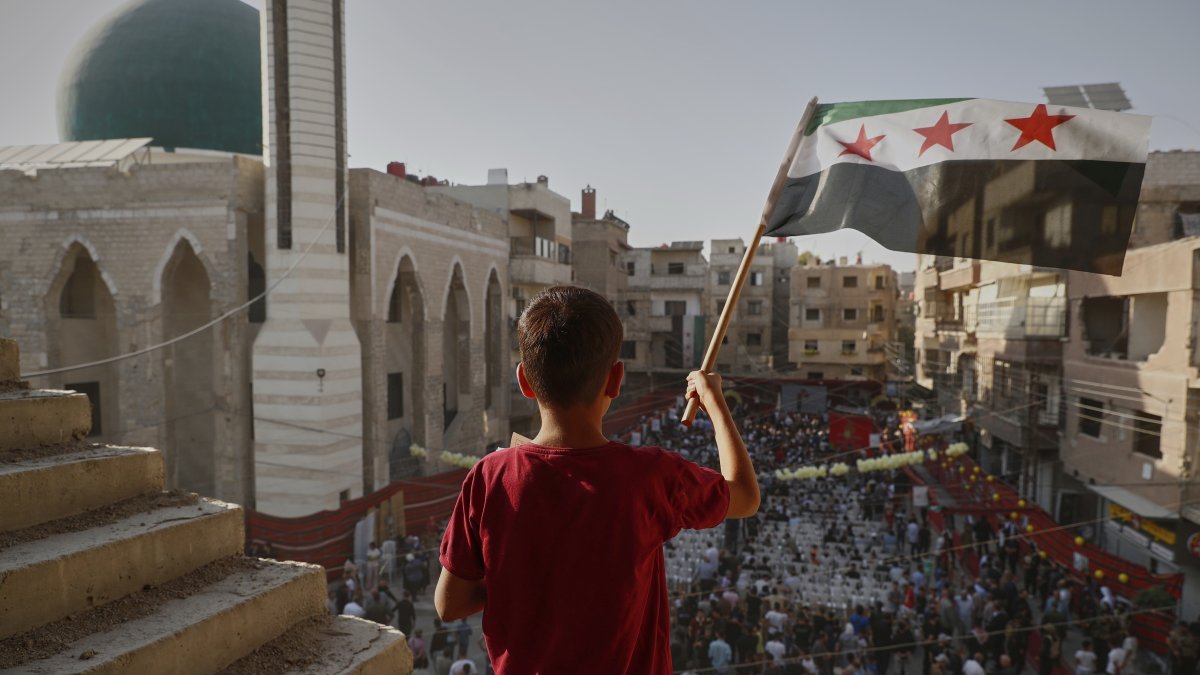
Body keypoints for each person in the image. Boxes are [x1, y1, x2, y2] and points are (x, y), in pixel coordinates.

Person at [435, 286, 759, 674]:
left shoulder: (489, 478)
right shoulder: (650, 476)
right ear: (616, 379)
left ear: (524, 381)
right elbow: (745, 496)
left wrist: (532, 583)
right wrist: (715, 402)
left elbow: (448, 604)